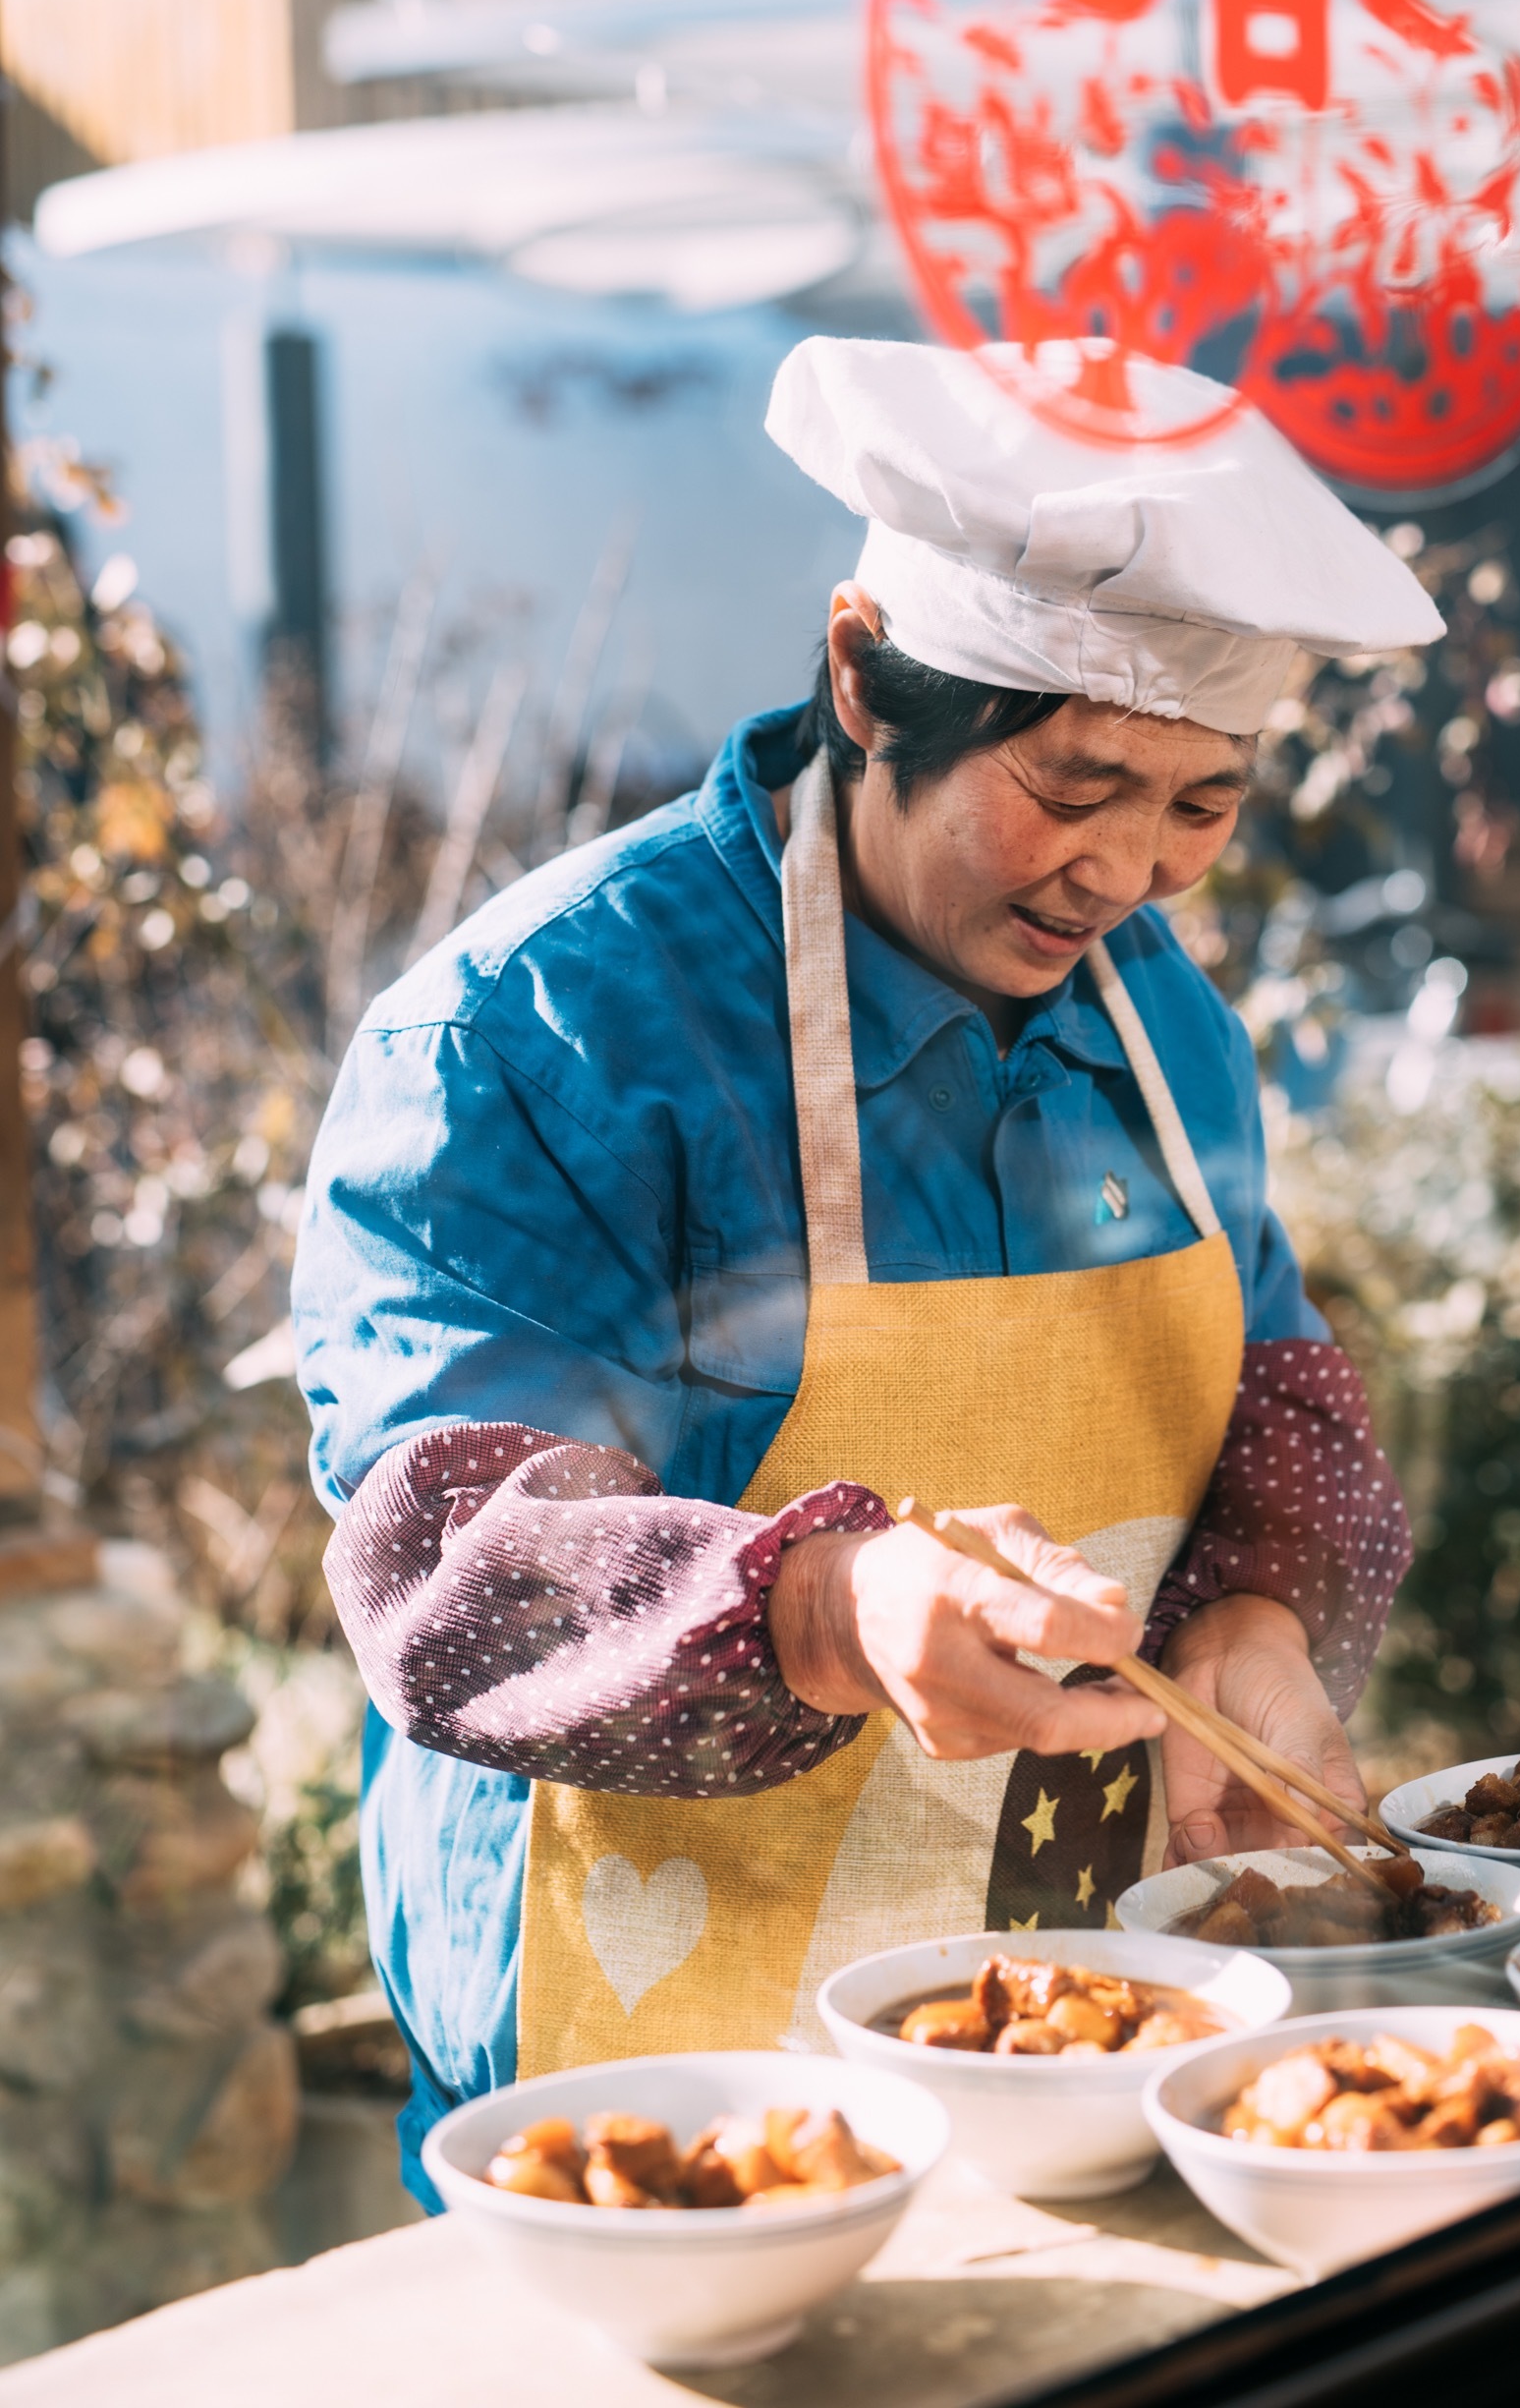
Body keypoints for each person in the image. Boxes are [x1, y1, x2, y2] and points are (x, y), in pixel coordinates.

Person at [297, 335, 1439, 2199]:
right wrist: (826, 1614)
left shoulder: (1160, 1022)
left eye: (1200, 803)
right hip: (649, 2078)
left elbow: (1276, 1389)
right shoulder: (540, 1034)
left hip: (1080, 2028)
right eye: (1075, 784)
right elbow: (452, 1562)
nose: (1126, 875)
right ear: (861, 673)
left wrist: (1256, 1619)